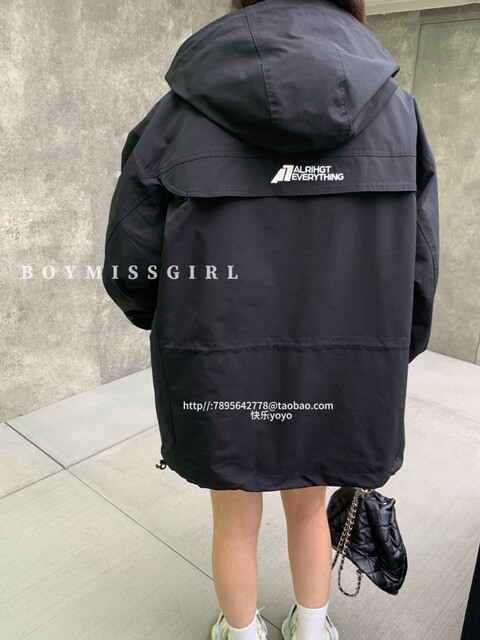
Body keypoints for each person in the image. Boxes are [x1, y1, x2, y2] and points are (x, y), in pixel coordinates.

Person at [102, 0, 440, 638]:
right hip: (337, 366)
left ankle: (240, 632)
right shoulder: (398, 114)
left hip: (219, 364)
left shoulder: (178, 116)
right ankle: (312, 628)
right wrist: (389, 350)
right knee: (309, 502)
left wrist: (174, 330)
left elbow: (131, 260)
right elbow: (420, 267)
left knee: (233, 516)